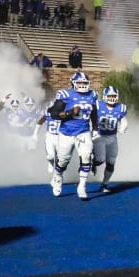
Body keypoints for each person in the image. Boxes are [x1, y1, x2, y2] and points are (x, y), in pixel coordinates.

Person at [47, 72, 98, 200]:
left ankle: (82, 186)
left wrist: (95, 128)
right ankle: (58, 177)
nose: (82, 85)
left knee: (86, 157)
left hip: (83, 131)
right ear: (73, 83)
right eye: (80, 82)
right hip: (66, 132)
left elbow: (94, 113)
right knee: (62, 161)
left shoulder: (93, 95)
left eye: (84, 83)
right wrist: (70, 112)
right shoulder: (66, 95)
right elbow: (54, 114)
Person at [92, 86, 128, 193]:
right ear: (104, 96)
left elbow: (124, 120)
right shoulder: (98, 105)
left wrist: (123, 127)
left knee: (111, 162)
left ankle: (104, 184)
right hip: (99, 136)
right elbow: (90, 116)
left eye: (114, 96)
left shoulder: (121, 107)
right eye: (110, 96)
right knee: (100, 159)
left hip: (112, 137)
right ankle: (91, 163)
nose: (112, 98)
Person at [33, 101, 61, 185]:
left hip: (61, 138)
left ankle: (55, 178)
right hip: (50, 137)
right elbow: (39, 123)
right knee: (51, 156)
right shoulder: (48, 113)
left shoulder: (63, 114)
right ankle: (50, 162)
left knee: (59, 160)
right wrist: (35, 135)